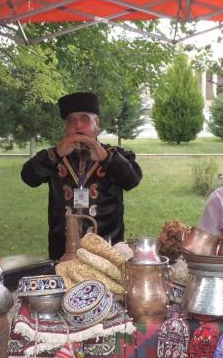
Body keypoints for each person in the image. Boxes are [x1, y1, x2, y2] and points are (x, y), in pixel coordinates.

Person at [21, 91, 142, 260]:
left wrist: (106, 158)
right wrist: (55, 153)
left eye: (85, 119)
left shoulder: (115, 155)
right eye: (71, 120)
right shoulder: (56, 156)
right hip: (62, 250)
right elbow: (28, 177)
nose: (77, 126)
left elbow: (132, 180)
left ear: (97, 123)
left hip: (107, 250)